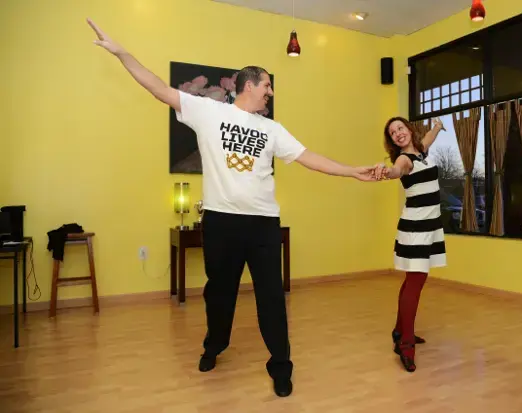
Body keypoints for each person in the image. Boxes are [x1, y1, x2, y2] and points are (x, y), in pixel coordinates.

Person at [86, 18, 377, 397]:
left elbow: (309, 157)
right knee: (219, 293)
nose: (271, 91)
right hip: (221, 222)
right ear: (249, 85)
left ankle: (281, 366)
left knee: (271, 296)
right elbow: (158, 88)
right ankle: (214, 345)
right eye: (267, 85)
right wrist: (123, 53)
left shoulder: (273, 129)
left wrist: (353, 171)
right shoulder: (209, 111)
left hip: (263, 224)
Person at [374, 116, 445, 372]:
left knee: (414, 281)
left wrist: (437, 126)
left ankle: (399, 330)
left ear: (408, 129)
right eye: (393, 133)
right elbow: (398, 170)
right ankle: (405, 345)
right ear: (392, 140)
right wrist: (388, 172)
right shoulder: (404, 160)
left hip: (429, 226)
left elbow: (427, 138)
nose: (398, 134)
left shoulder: (422, 151)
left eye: (400, 128)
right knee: (414, 284)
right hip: (415, 230)